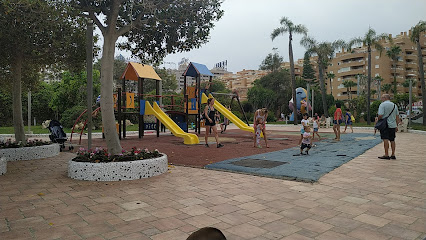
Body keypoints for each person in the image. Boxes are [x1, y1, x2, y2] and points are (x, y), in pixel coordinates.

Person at [377, 94, 400, 159]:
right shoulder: (394, 105)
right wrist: (396, 125)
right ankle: (393, 154)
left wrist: (378, 120)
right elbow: (397, 116)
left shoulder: (382, 105)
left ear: (385, 98)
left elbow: (380, 115)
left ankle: (386, 154)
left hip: (385, 125)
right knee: (392, 139)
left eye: (382, 97)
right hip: (392, 125)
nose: (381, 99)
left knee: (385, 139)